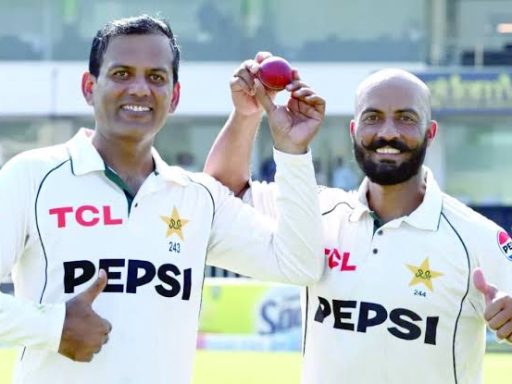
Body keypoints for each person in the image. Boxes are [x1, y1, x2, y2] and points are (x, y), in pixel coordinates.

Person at [0, 17, 326, 384]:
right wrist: (52, 328)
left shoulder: (197, 196)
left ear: (174, 97)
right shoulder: (31, 176)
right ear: (89, 87)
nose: (139, 89)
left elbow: (299, 264)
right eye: (122, 74)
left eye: (156, 77)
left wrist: (291, 149)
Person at [204, 62, 512, 383]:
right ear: (354, 131)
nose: (388, 132)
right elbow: (221, 196)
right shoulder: (314, 210)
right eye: (373, 118)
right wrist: (247, 113)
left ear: (430, 133)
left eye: (406, 118)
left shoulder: (478, 239)